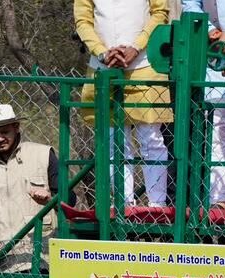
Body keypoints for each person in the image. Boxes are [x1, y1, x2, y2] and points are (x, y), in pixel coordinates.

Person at [73, 0, 173, 209]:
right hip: (103, 66)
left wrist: (136, 47)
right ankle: (124, 203)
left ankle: (157, 204)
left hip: (145, 63)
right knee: (113, 142)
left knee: (151, 138)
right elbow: (83, 21)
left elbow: (159, 13)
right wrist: (102, 52)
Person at [0, 105, 69, 273]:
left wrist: (50, 199)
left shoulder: (43, 155)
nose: (0, 138)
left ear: (16, 128)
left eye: (4, 132)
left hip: (39, 256)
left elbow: (69, 198)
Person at [182, 0, 225, 208]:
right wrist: (213, 32)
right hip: (216, 55)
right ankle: (220, 199)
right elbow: (189, 4)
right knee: (217, 127)